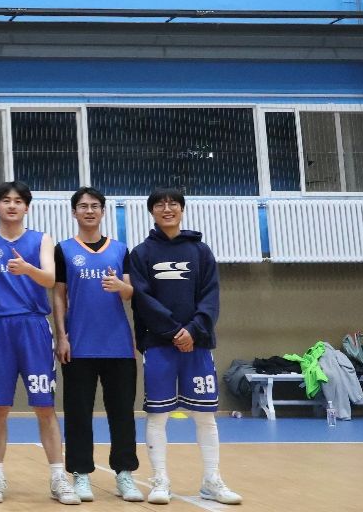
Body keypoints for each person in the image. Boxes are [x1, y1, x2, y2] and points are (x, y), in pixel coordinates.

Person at [128, 187, 241, 505]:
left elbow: (210, 296)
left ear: (182, 209)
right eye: (160, 204)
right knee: (158, 415)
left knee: (205, 415)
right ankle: (160, 480)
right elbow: (142, 299)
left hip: (197, 345)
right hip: (159, 346)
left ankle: (212, 480)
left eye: (173, 204)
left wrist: (193, 330)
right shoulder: (141, 253)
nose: (167, 209)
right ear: (152, 211)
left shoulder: (200, 251)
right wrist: (173, 330)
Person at [0, 181, 79, 505]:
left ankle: (58, 477)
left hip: (34, 325)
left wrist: (27, 268)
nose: (12, 205)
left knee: (44, 406)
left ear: (26, 207)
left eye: (18, 201)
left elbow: (50, 279)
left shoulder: (41, 239)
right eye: (6, 200)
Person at [52, 186, 143, 504]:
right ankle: (80, 474)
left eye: (94, 206)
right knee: (78, 414)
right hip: (79, 345)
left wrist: (121, 286)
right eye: (83, 206)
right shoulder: (64, 250)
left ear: (103, 212)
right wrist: (61, 336)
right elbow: (59, 295)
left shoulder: (120, 249)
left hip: (118, 345)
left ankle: (124, 473)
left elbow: (130, 294)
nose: (89, 211)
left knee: (122, 413)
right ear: (74, 212)